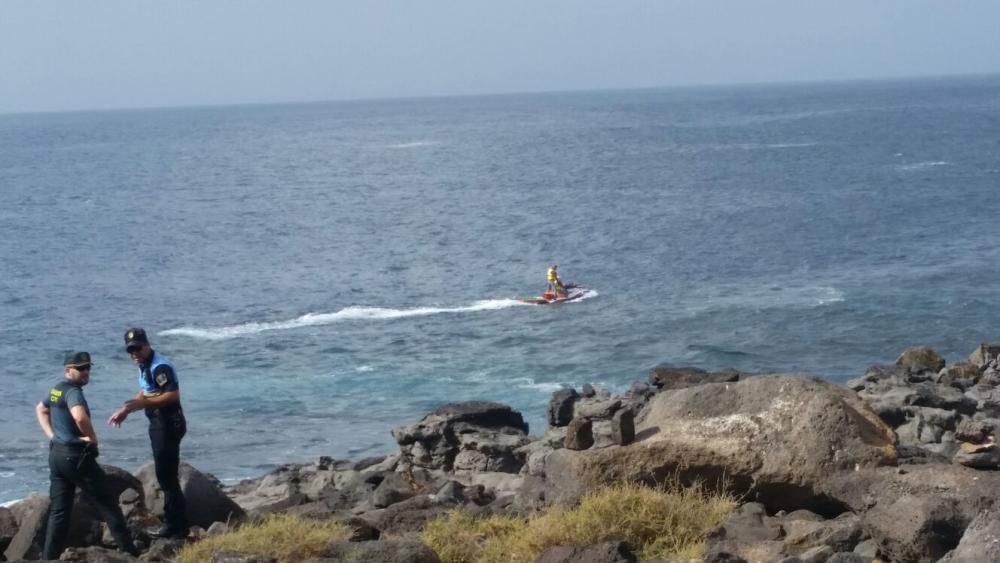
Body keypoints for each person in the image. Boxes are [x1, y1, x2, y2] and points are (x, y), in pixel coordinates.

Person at [37, 352, 139, 559]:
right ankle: (130, 553)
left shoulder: (57, 389)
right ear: (68, 370)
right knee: (108, 504)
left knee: (59, 511)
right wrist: (92, 438)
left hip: (57, 457)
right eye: (80, 368)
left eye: (88, 368)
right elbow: (79, 416)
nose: (85, 372)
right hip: (76, 458)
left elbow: (41, 408)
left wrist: (53, 436)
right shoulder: (73, 392)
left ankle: (49, 558)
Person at [107, 328, 189, 539]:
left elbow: (172, 395)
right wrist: (126, 409)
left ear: (147, 344)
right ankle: (174, 523)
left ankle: (176, 526)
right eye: (130, 350)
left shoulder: (159, 367)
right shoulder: (145, 365)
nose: (134, 353)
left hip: (168, 422)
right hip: (158, 422)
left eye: (137, 348)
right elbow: (146, 391)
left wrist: (142, 404)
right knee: (165, 475)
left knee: (166, 476)